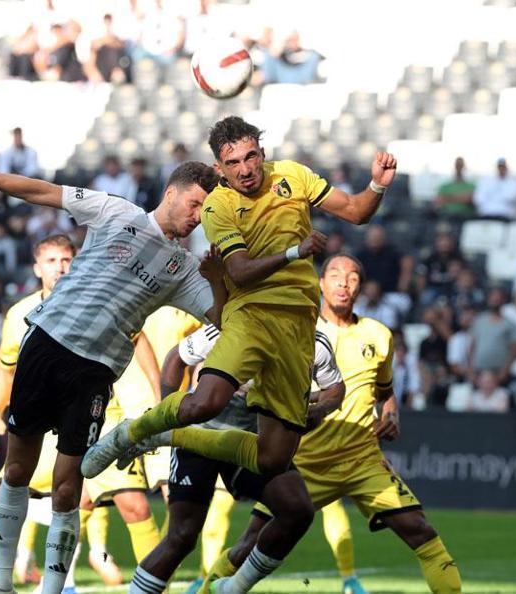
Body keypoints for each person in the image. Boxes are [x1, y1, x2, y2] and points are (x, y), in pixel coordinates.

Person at [84, 115, 397, 589]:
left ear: (263, 153)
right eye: (233, 162)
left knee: (276, 469)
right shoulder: (219, 208)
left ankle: (230, 585)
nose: (246, 169)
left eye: (251, 156)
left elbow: (355, 210)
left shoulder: (295, 176)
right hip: (249, 318)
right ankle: (138, 432)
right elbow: (243, 271)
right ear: (220, 167)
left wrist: (376, 184)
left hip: (296, 332)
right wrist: (296, 254)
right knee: (206, 403)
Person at [0, 157, 226, 594]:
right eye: (195, 204)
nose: (197, 217)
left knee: (69, 490)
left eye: (206, 211)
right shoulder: (115, 211)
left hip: (94, 374)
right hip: (46, 345)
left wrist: (218, 281)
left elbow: (224, 317)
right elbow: (42, 190)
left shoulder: (183, 269)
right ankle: (2, 586)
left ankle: (51, 591)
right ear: (171, 193)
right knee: (16, 472)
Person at [201, 254, 462, 594]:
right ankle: (206, 590)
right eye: (335, 275)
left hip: (363, 460)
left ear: (361, 287)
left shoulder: (379, 335)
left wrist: (391, 414)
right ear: (321, 284)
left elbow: (386, 393)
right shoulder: (297, 330)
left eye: (352, 277)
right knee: (250, 541)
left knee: (420, 530)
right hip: (303, 461)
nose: (343, 282)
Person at [125, 323, 374, 594]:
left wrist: (320, 409)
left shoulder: (314, 341)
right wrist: (169, 414)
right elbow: (176, 359)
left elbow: (335, 388)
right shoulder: (233, 322)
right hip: (199, 434)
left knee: (297, 510)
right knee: (182, 536)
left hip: (252, 440)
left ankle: (231, 589)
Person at [0, 234, 150, 593]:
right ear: (37, 268)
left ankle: (74, 578)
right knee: (16, 483)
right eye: (51, 261)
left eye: (66, 259)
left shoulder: (99, 304)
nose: (60, 268)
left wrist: (148, 399)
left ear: (77, 261)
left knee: (122, 503)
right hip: (36, 412)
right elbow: (5, 366)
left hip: (92, 411)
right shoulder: (19, 313)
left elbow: (136, 344)